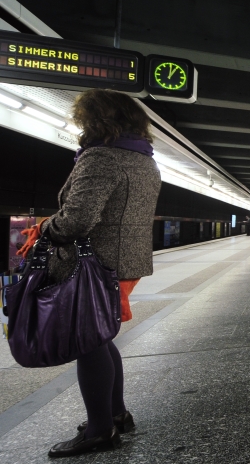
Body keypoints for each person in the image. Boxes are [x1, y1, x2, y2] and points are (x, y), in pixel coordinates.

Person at [17, 89, 162, 457]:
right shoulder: (145, 159)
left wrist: (47, 229)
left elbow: (79, 219)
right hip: (124, 259)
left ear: (97, 120)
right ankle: (116, 413)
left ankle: (100, 430)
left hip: (94, 261)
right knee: (99, 334)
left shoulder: (102, 157)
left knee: (89, 339)